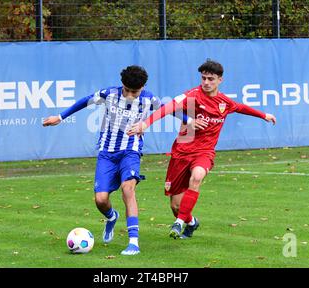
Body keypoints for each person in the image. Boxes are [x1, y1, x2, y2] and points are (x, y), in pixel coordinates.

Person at [42, 65, 195, 255]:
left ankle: (133, 243)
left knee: (128, 189)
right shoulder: (109, 94)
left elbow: (169, 110)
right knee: (100, 200)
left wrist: (190, 121)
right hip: (106, 153)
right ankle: (111, 216)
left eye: (135, 91)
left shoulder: (149, 98)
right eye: (128, 90)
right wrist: (59, 117)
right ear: (122, 84)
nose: (131, 95)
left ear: (143, 87)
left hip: (131, 151)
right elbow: (84, 101)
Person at [127, 59, 276, 239]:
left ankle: (179, 223)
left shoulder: (224, 103)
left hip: (204, 153)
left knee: (197, 177)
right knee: (176, 206)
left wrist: (264, 115)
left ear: (220, 80)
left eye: (210, 79)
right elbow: (167, 108)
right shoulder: (192, 95)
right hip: (181, 153)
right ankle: (190, 222)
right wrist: (145, 123)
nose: (206, 82)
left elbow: (240, 107)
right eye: (203, 78)